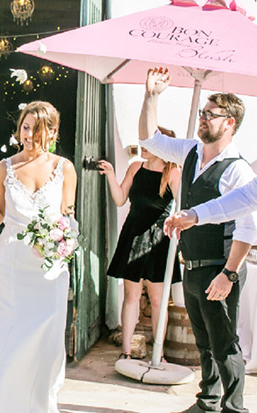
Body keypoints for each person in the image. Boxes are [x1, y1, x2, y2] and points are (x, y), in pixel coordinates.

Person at [139, 67, 257, 413]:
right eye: (202, 112)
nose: (202, 118)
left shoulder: (238, 170)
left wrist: (229, 274)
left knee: (224, 344)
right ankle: (207, 403)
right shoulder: (190, 151)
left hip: (220, 268)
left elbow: (247, 228)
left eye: (210, 114)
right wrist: (151, 96)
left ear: (230, 123)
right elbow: (149, 139)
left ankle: (235, 407)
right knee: (204, 343)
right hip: (191, 266)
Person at [0, 101, 77, 413]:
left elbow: (68, 218)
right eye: (25, 127)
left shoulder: (64, 168)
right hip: (13, 264)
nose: (29, 135)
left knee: (45, 339)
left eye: (37, 129)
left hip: (49, 268)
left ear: (52, 132)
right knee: (6, 333)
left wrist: (59, 242)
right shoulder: (5, 167)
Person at [98, 129, 181, 360]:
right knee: (131, 296)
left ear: (163, 147)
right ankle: (125, 351)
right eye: (142, 143)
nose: (142, 147)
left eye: (149, 144)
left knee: (157, 300)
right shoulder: (136, 166)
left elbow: (183, 208)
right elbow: (120, 198)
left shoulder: (173, 173)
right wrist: (112, 174)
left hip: (158, 239)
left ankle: (159, 353)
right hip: (133, 236)